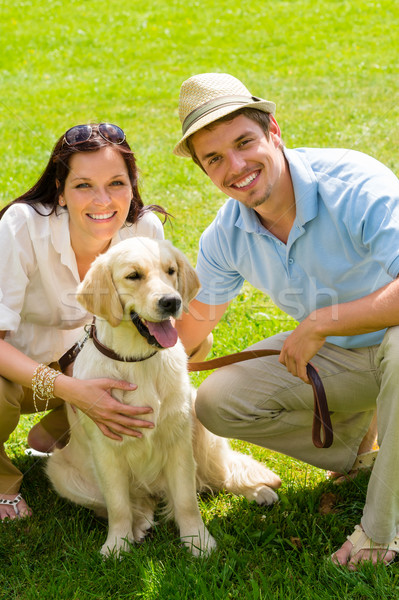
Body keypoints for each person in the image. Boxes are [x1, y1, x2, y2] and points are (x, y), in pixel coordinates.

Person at [173, 73, 399, 569]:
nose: (235, 166)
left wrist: (320, 323)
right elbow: (192, 327)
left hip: (389, 344)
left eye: (244, 142)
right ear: (202, 168)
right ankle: (365, 456)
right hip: (342, 360)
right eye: (214, 158)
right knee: (217, 400)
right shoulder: (226, 235)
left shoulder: (356, 183)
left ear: (274, 129)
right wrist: (119, 369)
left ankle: (382, 532)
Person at [0, 123, 168, 521]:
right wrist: (73, 391)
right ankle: (2, 482)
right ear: (59, 190)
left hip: (92, 364)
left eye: (116, 183)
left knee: (182, 340)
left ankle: (58, 430)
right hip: (20, 375)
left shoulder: (143, 231)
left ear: (132, 185)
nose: (103, 200)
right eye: (83, 186)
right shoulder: (22, 226)